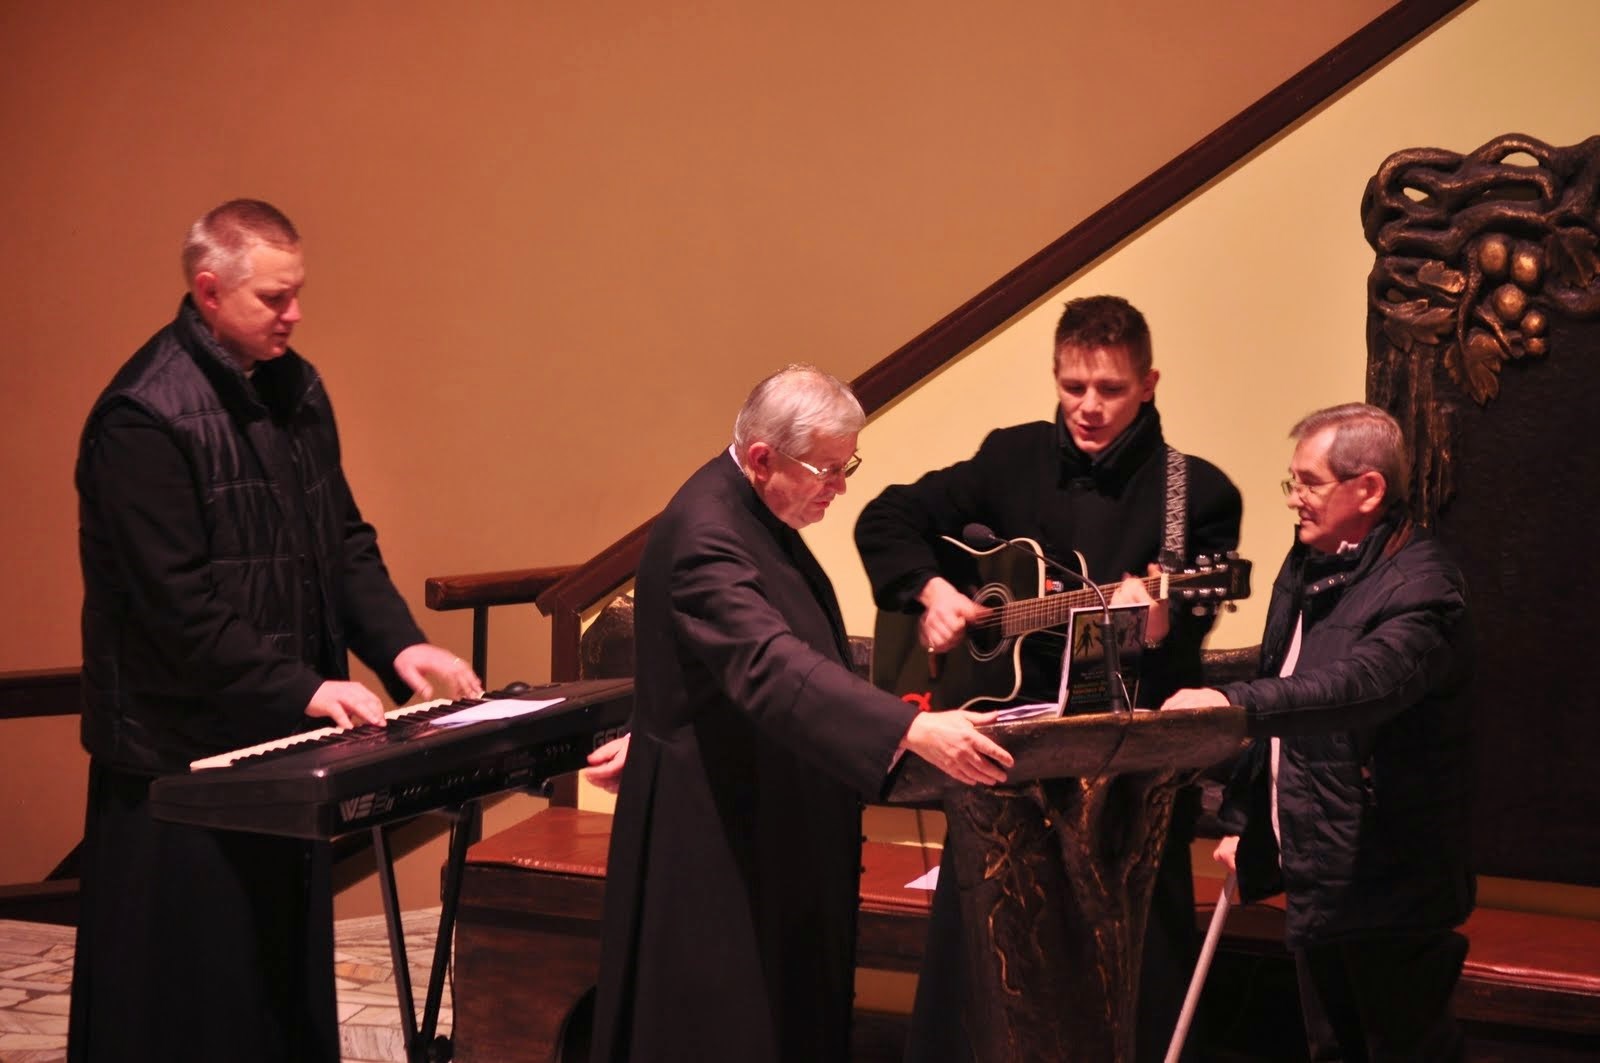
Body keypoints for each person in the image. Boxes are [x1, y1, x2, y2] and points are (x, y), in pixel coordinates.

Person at [69, 199, 483, 1063]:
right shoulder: (142, 417)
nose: (294, 314)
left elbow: (341, 540)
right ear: (208, 291)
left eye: (297, 293)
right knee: (190, 1005)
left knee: (274, 988)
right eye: (273, 298)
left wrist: (398, 643)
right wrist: (303, 685)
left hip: (276, 740)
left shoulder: (296, 387)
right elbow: (173, 606)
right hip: (176, 758)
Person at [587, 365, 1015, 1063]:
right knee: (726, 1031)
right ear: (763, 458)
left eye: (849, 466)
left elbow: (717, 660)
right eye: (829, 469)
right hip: (716, 834)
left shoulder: (754, 510)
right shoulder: (706, 531)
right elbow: (767, 661)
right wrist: (909, 727)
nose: (840, 487)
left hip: (766, 807)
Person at [854, 294, 1242, 1062]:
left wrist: (1155, 625)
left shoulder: (1194, 492)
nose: (1088, 407)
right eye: (1073, 386)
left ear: (1149, 383)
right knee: (986, 965)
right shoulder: (1012, 457)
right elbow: (886, 517)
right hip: (1007, 764)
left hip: (1127, 779)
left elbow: (1185, 642)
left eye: (1111, 389)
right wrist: (932, 591)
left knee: (1128, 970)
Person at [1164, 402, 1474, 1061]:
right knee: (1330, 1049)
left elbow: (1357, 688)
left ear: (1368, 489)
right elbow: (1286, 686)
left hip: (1391, 882)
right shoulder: (1312, 564)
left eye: (1308, 482)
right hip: (1323, 872)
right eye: (1293, 481)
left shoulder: (1424, 585)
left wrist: (1228, 702)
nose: (1293, 499)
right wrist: (1252, 823)